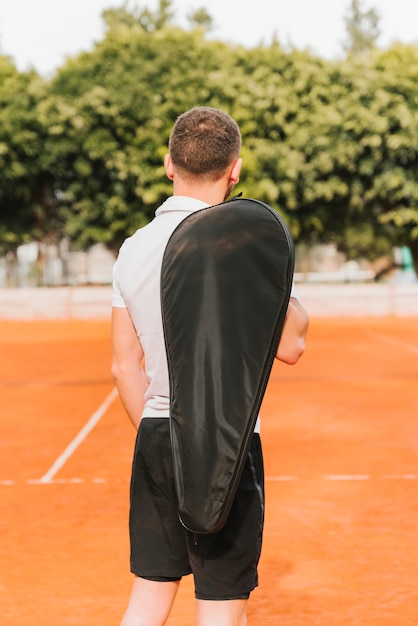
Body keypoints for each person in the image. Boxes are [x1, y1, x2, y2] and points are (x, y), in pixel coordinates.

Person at [111, 106, 309, 626]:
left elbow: (123, 367)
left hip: (156, 433)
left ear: (169, 164)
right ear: (235, 169)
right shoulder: (245, 245)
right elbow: (291, 344)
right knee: (221, 607)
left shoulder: (133, 248)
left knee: (148, 597)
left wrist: (167, 438)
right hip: (225, 438)